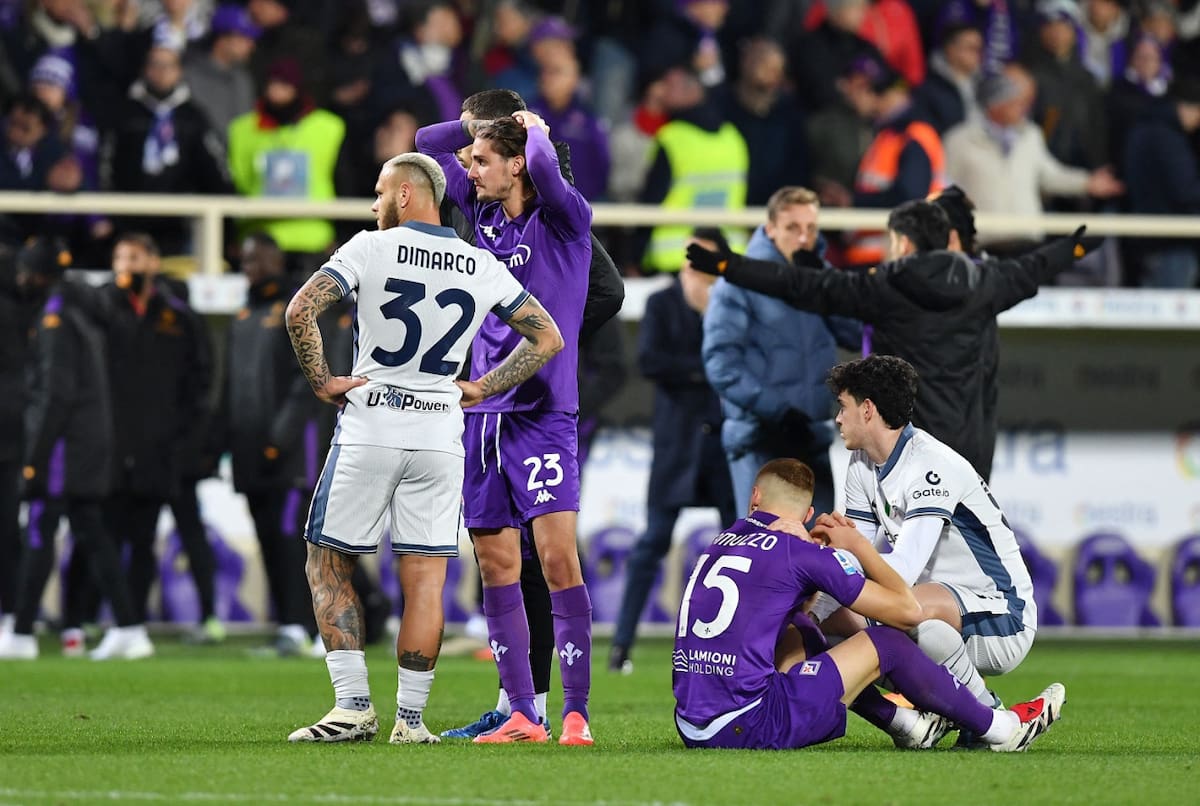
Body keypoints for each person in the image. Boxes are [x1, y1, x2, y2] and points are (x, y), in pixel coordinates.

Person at [284, 152, 563, 744]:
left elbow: (300, 310)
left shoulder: (370, 248)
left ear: (408, 195)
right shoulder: (477, 262)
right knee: (426, 579)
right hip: (440, 436)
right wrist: (482, 387)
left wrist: (322, 381)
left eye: (380, 191)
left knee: (327, 561)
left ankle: (354, 708)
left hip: (371, 425)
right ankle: (411, 722)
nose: (374, 203)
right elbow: (547, 336)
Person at [433, 87, 623, 742]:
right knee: (494, 564)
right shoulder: (481, 219)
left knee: (557, 559)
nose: (469, 167)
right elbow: (429, 149)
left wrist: (533, 131)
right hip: (483, 413)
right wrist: (480, 127)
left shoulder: (564, 223)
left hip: (542, 410)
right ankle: (521, 713)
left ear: (516, 164)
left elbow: (544, 168)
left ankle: (576, 713)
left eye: (483, 157)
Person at [673, 457, 1065, 752]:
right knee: (889, 644)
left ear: (754, 498)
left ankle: (909, 726)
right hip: (748, 724)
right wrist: (857, 546)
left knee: (803, 628)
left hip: (691, 722)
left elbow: (781, 602)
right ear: (809, 515)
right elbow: (907, 610)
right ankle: (1002, 730)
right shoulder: (804, 554)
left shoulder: (719, 542)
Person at [684, 199, 1090, 481]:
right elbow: (1034, 267)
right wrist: (1072, 248)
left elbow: (796, 283)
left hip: (903, 449)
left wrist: (728, 266)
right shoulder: (987, 282)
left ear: (904, 243)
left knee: (901, 569)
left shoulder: (884, 288)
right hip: (967, 451)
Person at [799, 355, 1044, 747]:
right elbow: (846, 564)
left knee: (903, 611)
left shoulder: (931, 467)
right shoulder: (863, 464)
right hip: (938, 613)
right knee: (825, 634)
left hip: (1003, 616)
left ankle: (990, 718)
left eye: (843, 407)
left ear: (867, 410)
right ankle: (917, 720)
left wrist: (854, 548)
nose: (837, 418)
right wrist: (807, 615)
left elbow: (903, 569)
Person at [0, 237, 153, 661]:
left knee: (39, 529)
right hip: (87, 440)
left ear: (36, 273)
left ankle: (21, 632)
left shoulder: (55, 318)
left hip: (65, 445)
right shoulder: (82, 310)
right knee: (91, 531)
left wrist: (35, 458)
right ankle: (128, 627)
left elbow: (55, 395)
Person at [62, 233, 217, 647]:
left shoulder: (177, 317)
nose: (124, 265)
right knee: (97, 535)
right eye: (118, 257)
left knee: (143, 539)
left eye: (132, 257)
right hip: (106, 446)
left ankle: (129, 626)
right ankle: (77, 618)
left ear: (152, 262)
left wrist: (185, 440)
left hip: (157, 450)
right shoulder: (99, 308)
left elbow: (198, 384)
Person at [609, 228, 737, 674]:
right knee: (652, 544)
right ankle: (620, 647)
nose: (694, 268)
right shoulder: (663, 302)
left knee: (739, 548)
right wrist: (707, 371)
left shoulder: (733, 303)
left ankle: (738, 647)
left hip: (722, 446)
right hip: (678, 445)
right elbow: (650, 362)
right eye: (691, 258)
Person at [703, 186, 859, 521]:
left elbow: (857, 332)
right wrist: (778, 411)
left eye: (811, 229)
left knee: (819, 547)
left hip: (811, 439)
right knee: (759, 549)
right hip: (758, 439)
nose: (803, 238)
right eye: (792, 228)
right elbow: (721, 363)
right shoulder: (739, 280)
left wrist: (828, 289)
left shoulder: (823, 277)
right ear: (770, 227)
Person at [217, 231, 318, 654]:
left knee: (291, 539)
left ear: (276, 262)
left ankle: (305, 626)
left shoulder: (294, 310)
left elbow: (305, 381)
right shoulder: (243, 314)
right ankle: (287, 622)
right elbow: (232, 384)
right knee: (266, 539)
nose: (249, 269)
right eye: (245, 263)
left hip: (287, 454)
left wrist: (280, 436)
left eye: (256, 261)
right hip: (248, 450)